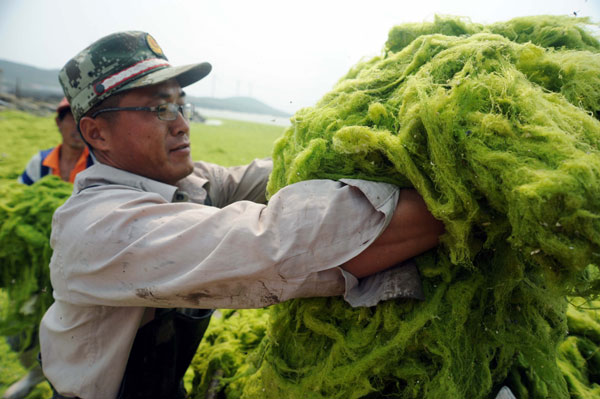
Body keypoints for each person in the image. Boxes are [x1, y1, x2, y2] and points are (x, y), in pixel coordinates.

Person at [38, 31, 445, 398]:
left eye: (181, 105)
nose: (182, 124)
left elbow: (278, 173)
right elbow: (275, 246)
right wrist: (456, 202)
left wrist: (375, 146)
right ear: (96, 133)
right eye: (159, 109)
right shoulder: (100, 227)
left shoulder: (189, 185)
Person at [4, 99, 94, 399]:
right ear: (59, 123)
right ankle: (33, 375)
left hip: (74, 271)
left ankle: (61, 384)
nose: (74, 128)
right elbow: (20, 204)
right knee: (21, 332)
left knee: (71, 337)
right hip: (35, 267)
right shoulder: (40, 162)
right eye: (68, 120)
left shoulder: (98, 167)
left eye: (80, 121)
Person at [18, 97, 94, 185]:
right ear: (58, 122)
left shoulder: (98, 165)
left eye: (84, 120)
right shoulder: (40, 162)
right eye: (73, 118)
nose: (79, 126)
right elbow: (21, 192)